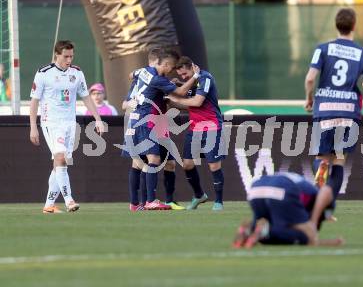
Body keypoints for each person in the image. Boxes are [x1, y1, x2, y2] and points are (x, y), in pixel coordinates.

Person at [304, 8, 363, 203]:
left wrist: (309, 98)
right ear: (354, 26)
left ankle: (320, 167)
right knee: (338, 160)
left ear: (336, 25)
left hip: (325, 109)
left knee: (322, 155)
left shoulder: (322, 48)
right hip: (348, 112)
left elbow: (310, 79)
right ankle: (327, 208)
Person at [29, 40, 104, 213]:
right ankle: (69, 200)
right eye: (65, 56)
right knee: (60, 157)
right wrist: (33, 126)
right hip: (51, 122)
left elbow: (86, 97)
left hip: (70, 123)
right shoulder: (43, 73)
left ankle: (49, 205)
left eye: (71, 56)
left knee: (60, 164)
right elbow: (34, 102)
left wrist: (98, 119)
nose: (69, 60)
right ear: (57, 54)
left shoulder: (77, 73)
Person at [121, 49, 199, 211]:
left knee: (145, 163)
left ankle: (137, 203)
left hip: (143, 120)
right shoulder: (157, 79)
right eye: (171, 67)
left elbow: (131, 75)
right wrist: (195, 77)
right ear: (166, 64)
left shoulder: (141, 72)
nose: (171, 71)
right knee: (152, 160)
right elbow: (181, 92)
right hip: (147, 120)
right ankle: (149, 201)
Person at [167, 56, 225, 211]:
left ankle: (219, 201)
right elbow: (190, 107)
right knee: (187, 165)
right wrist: (171, 102)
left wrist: (174, 97)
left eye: (185, 74)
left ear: (192, 67)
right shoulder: (190, 83)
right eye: (181, 75)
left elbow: (197, 102)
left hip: (212, 127)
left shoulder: (205, 78)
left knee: (214, 165)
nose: (183, 77)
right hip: (194, 129)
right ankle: (199, 195)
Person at [232, 172, 344, 248]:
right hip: (281, 189)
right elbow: (327, 191)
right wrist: (314, 222)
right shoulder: (315, 196)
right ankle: (265, 232)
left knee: (268, 231)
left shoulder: (303, 185)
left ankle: (248, 231)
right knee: (305, 236)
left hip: (256, 188)